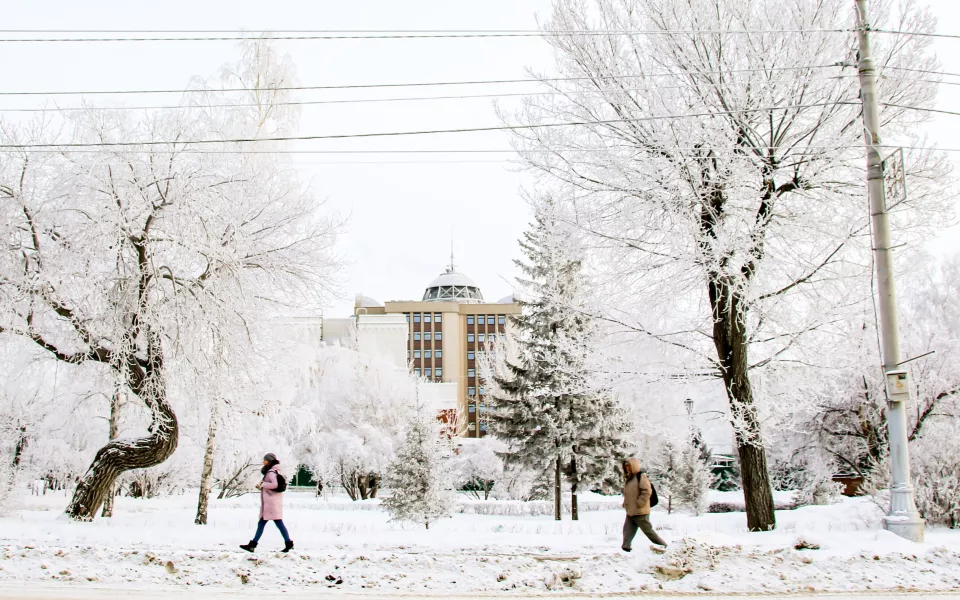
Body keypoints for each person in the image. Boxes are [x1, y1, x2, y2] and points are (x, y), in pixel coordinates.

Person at [240, 453, 294, 553]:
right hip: (272, 503)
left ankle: (253, 545)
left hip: (271, 504)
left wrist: (263, 484)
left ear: (269, 461)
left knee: (275, 524)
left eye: (264, 460)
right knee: (267, 523)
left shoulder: (271, 472)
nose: (263, 462)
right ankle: (288, 544)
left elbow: (275, 484)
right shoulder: (275, 471)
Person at [621, 457, 667, 552]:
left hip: (640, 511)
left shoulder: (640, 477)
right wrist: (626, 503)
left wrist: (640, 503)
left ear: (633, 466)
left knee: (648, 532)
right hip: (631, 511)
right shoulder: (629, 479)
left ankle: (665, 546)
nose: (627, 468)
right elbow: (630, 494)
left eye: (629, 466)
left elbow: (646, 491)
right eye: (626, 467)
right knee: (627, 530)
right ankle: (626, 547)